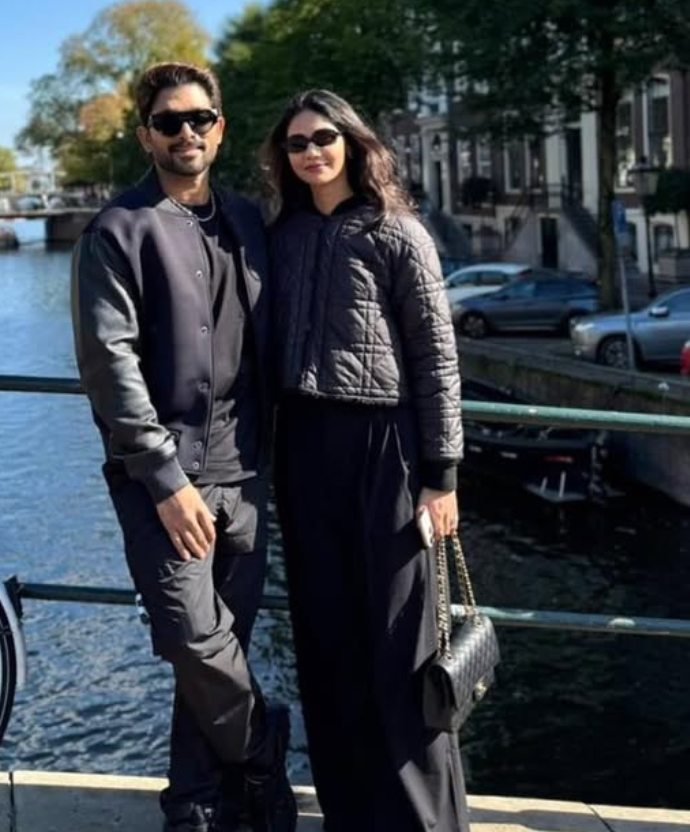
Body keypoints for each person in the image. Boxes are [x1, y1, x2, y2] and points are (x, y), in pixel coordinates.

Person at [70, 62, 297, 832]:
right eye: (169, 122)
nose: (186, 133)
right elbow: (109, 363)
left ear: (220, 128)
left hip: (248, 471)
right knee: (192, 639)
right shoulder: (117, 230)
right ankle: (265, 756)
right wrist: (164, 479)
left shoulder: (248, 221)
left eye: (199, 119)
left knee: (216, 652)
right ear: (146, 135)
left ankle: (197, 803)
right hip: (163, 480)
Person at [260, 89, 471, 832]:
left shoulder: (397, 233)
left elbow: (436, 358)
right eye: (296, 143)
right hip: (304, 446)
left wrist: (441, 475)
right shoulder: (279, 235)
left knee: (401, 641)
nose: (311, 152)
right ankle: (351, 812)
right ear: (283, 157)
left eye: (324, 137)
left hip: (387, 448)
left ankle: (424, 820)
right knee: (325, 636)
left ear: (352, 142)